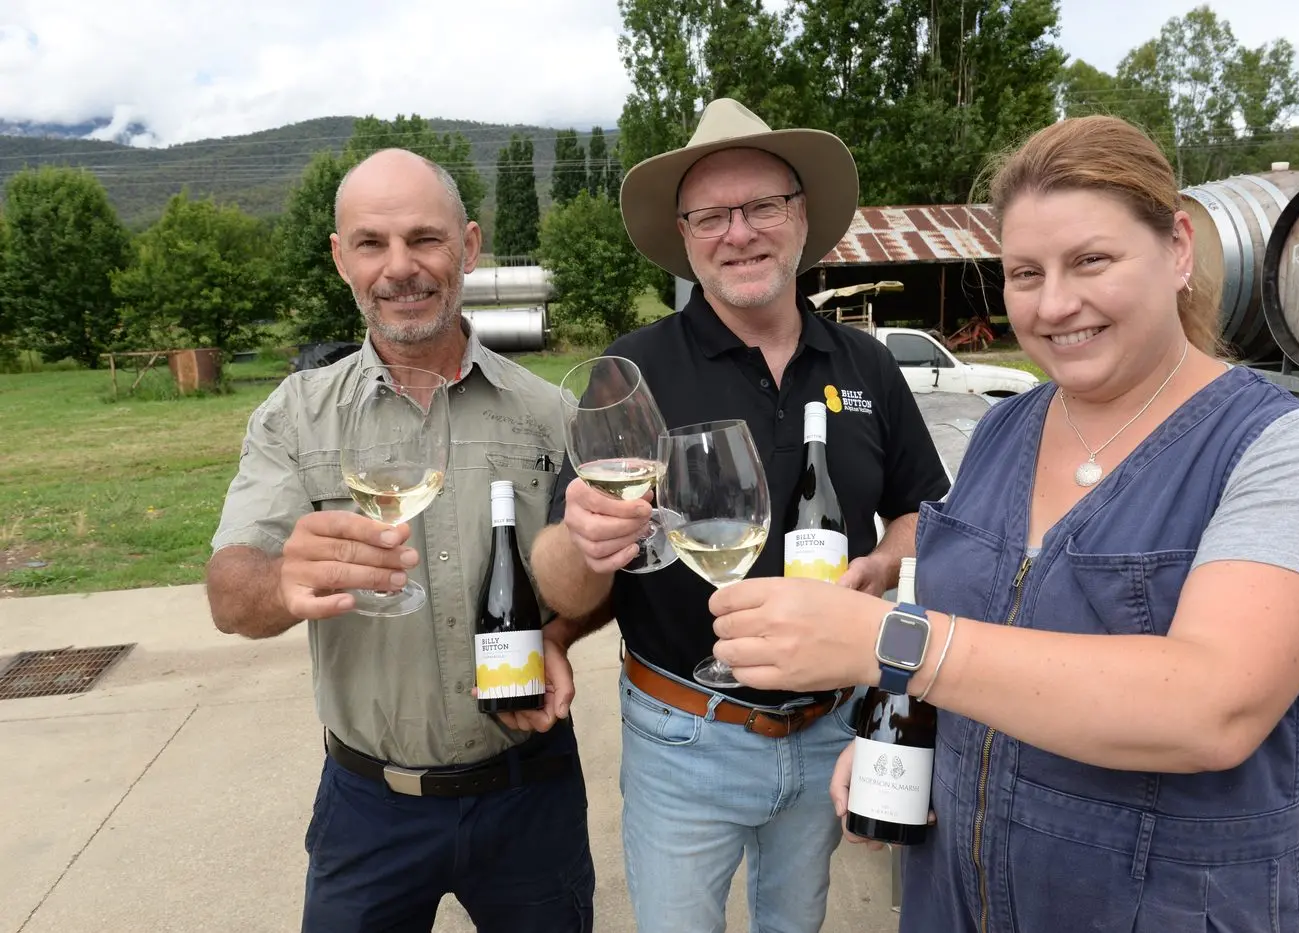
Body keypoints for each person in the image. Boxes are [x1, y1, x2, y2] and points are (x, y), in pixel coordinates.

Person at [705, 113, 1299, 932]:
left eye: (1091, 260)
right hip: (953, 902)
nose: (1056, 304)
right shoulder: (1002, 430)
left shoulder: (1287, 451)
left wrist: (881, 640)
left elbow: (1214, 706)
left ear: (1178, 250)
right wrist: (899, 741)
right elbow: (981, 634)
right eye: (1025, 273)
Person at [529, 98, 951, 933]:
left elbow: (920, 515)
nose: (739, 232)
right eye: (712, 215)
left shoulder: (865, 361)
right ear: (685, 236)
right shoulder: (630, 371)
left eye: (762, 206)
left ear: (801, 219)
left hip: (830, 721)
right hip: (685, 732)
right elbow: (559, 581)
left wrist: (883, 569)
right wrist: (585, 537)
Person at [205, 148, 596, 933]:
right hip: (368, 808)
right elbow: (229, 593)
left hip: (530, 794)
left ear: (470, 247)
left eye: (425, 238)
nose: (400, 268)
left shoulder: (551, 413)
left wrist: (559, 631)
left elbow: (592, 576)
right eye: (371, 243)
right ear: (340, 258)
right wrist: (283, 580)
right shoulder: (297, 414)